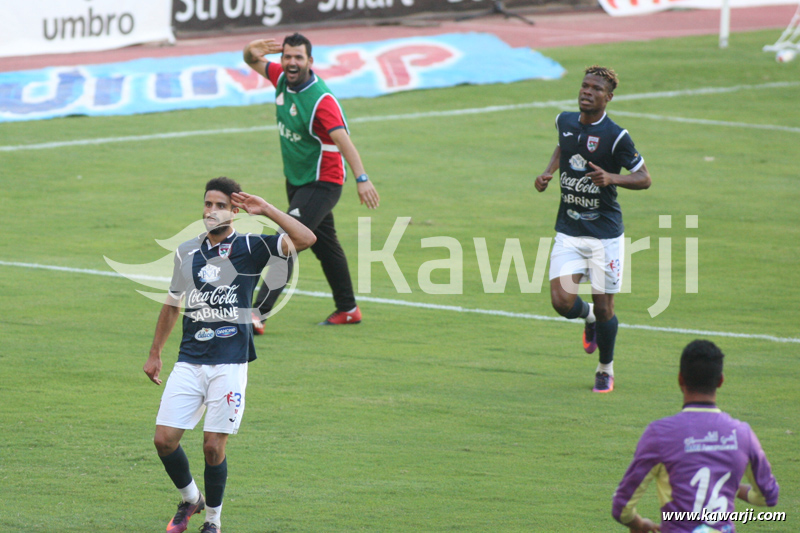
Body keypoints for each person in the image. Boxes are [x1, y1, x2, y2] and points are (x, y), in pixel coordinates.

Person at [143, 177, 316, 533]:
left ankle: (213, 520)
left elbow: (306, 239)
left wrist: (266, 209)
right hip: (189, 359)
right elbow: (172, 303)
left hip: (230, 362)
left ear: (235, 211)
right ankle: (192, 499)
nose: (211, 211)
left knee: (211, 446)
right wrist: (155, 352)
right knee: (164, 439)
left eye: (220, 205)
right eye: (207, 204)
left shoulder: (253, 246)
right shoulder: (187, 251)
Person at [243, 32, 380, 331]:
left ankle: (257, 312)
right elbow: (253, 60)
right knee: (325, 245)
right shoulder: (281, 78)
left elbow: (344, 141)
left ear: (310, 61)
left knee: (288, 239)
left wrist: (362, 178)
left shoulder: (321, 99)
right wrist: (249, 50)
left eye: (298, 58)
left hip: (322, 182)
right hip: (296, 180)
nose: (292, 63)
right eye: (287, 56)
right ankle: (348, 308)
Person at [534, 65, 651, 393]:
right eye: (585, 86)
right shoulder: (565, 121)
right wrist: (547, 173)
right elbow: (564, 147)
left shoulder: (617, 137)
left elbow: (645, 178)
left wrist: (612, 177)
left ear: (608, 97)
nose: (587, 92)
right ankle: (587, 321)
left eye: (596, 89)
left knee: (605, 309)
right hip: (569, 229)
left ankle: (605, 367)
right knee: (560, 301)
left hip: (605, 236)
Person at [612, 340, 780, 532]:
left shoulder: (659, 434)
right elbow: (769, 496)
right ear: (720, 381)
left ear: (680, 380)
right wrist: (731, 487)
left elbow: (621, 506)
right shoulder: (742, 434)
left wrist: (640, 524)